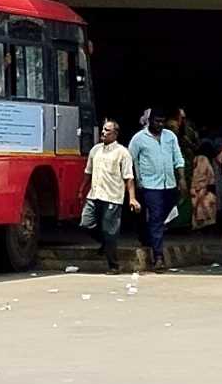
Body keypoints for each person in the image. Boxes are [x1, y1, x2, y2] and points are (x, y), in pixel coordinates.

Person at [128, 107, 187, 270]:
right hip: (149, 185)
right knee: (155, 218)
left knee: (162, 217)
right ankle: (158, 256)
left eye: (162, 122)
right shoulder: (139, 138)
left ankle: (148, 236)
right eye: (157, 121)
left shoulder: (170, 137)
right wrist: (135, 182)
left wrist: (181, 178)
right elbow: (130, 160)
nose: (160, 124)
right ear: (150, 121)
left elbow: (178, 158)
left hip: (169, 184)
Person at [79, 120, 140, 272]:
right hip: (94, 194)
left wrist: (132, 198)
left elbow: (129, 177)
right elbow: (88, 172)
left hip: (112, 197)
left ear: (115, 134)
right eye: (103, 130)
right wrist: (81, 189)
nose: (103, 133)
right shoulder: (95, 150)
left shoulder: (122, 152)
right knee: (86, 223)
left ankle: (114, 265)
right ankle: (105, 244)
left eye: (107, 131)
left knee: (110, 231)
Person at [190, 140, 219, 231]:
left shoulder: (195, 159)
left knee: (199, 206)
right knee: (204, 205)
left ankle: (199, 225)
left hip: (195, 188)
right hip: (201, 187)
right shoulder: (204, 160)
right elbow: (208, 175)